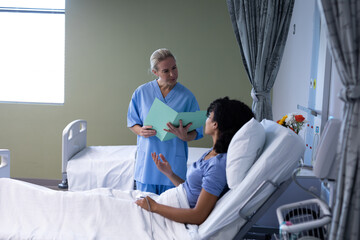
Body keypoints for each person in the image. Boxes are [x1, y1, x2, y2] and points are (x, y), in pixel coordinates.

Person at [136, 97, 254, 225]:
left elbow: (198, 215)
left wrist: (154, 207)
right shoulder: (212, 153)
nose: (206, 120)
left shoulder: (218, 165)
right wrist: (170, 173)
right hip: (167, 202)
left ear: (216, 124)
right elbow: (192, 191)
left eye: (209, 116)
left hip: (169, 210)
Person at [127, 48, 203, 195]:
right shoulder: (141, 92)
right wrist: (140, 131)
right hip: (148, 166)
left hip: (174, 167)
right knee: (146, 212)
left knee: (172, 211)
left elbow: (197, 132)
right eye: (166, 71)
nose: (172, 74)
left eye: (174, 68)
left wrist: (184, 136)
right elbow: (132, 122)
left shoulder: (187, 96)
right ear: (155, 72)